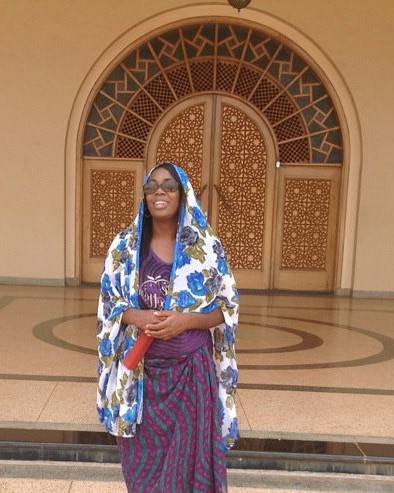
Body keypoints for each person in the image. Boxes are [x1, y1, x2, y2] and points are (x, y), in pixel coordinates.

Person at [97, 162, 239, 493]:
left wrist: (186, 321)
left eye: (168, 186)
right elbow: (109, 302)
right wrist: (136, 315)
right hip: (141, 380)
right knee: (141, 466)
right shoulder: (124, 247)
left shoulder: (205, 248)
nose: (159, 192)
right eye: (152, 186)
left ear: (183, 193)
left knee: (188, 470)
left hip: (191, 376)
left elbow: (227, 307)